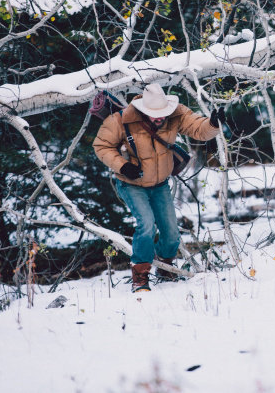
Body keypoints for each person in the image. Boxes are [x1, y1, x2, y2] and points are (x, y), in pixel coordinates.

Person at [93, 83, 224, 292]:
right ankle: (140, 275)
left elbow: (198, 129)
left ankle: (164, 268)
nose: (159, 118)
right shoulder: (120, 120)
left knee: (172, 233)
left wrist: (214, 124)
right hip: (131, 184)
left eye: (162, 114)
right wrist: (123, 165)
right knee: (146, 224)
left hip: (160, 184)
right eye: (154, 115)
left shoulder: (176, 114)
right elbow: (101, 146)